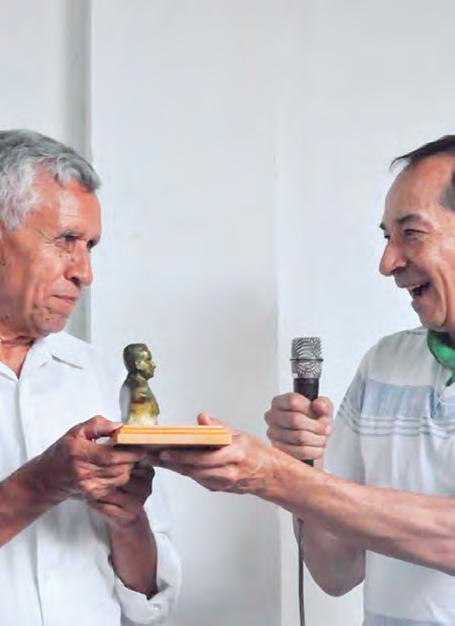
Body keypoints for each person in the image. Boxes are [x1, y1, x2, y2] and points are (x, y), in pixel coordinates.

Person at [153, 136, 455, 626]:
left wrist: (275, 476)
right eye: (387, 237)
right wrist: (305, 464)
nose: (388, 263)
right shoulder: (385, 364)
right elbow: (335, 572)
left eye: (411, 234)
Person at [0, 130, 180, 626]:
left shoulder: (100, 375)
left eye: (90, 246)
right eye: (66, 241)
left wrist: (128, 520)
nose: (84, 273)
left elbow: (148, 597)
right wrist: (41, 483)